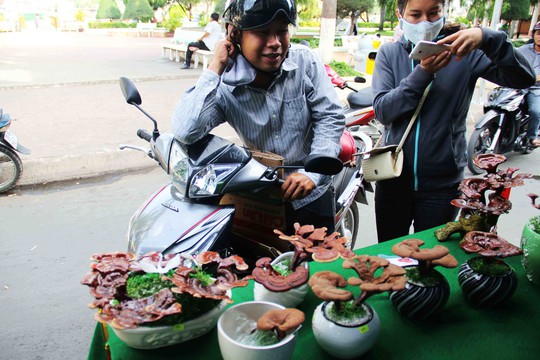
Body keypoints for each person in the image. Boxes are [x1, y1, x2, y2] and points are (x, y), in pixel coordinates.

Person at [172, 0, 345, 233]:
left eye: (282, 31)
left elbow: (330, 117)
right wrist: (215, 66)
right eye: (262, 32)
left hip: (312, 195)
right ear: (235, 36)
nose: (275, 43)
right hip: (261, 199)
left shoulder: (305, 61)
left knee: (318, 265)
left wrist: (312, 174)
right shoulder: (223, 85)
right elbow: (186, 131)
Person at [371, 0, 535, 243]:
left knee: (433, 259)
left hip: (443, 186)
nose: (425, 22)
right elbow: (384, 111)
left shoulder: (465, 53)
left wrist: (490, 39)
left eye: (434, 12)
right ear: (400, 14)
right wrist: (422, 74)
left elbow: (523, 78)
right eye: (415, 15)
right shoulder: (390, 53)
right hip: (393, 181)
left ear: (443, 12)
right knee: (389, 257)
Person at [517, 21, 540, 147]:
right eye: (538, 33)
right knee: (497, 101)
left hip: (535, 89)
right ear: (534, 35)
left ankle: (532, 137)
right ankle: (492, 124)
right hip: (517, 86)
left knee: (535, 111)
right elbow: (511, 60)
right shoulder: (522, 50)